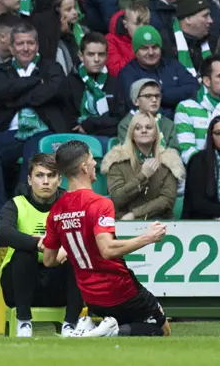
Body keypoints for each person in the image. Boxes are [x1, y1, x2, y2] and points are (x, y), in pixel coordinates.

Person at [42, 140, 171, 337]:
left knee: (133, 329)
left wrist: (72, 246)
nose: (95, 164)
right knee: (161, 330)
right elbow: (108, 250)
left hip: (91, 297)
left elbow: (49, 260)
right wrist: (148, 237)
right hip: (119, 288)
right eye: (92, 159)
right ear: (84, 167)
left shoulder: (56, 210)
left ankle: (96, 328)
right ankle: (111, 331)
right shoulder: (100, 203)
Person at [0, 20, 67, 210]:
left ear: (37, 45)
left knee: (32, 153)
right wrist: (36, 82)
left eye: (30, 43)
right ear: (11, 47)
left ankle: (24, 208)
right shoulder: (3, 72)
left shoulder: (51, 68)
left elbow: (54, 90)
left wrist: (15, 97)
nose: (26, 48)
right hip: (15, 132)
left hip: (45, 130)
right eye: (20, 43)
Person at [0, 153, 83, 338]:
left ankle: (70, 325)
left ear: (60, 179)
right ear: (29, 179)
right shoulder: (15, 204)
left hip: (57, 283)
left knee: (77, 257)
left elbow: (84, 235)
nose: (46, 181)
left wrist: (66, 249)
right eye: (39, 175)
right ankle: (23, 322)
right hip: (17, 285)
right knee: (23, 253)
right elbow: (4, 232)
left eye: (51, 176)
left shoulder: (71, 204)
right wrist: (39, 243)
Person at [102, 111, 184, 220]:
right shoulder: (117, 159)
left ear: (156, 134)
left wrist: (135, 214)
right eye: (138, 128)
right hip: (124, 223)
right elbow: (117, 199)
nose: (144, 131)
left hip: (158, 222)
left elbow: (167, 200)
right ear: (131, 133)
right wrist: (143, 176)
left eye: (149, 127)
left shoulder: (169, 160)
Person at [118, 25, 198, 119]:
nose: (151, 52)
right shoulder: (128, 73)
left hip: (182, 121)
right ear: (136, 52)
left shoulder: (172, 65)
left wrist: (162, 95)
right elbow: (138, 106)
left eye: (155, 47)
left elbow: (194, 87)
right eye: (145, 48)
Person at [64, 32, 125, 144]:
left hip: (107, 139)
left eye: (101, 54)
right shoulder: (69, 82)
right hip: (75, 140)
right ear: (81, 56)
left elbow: (120, 119)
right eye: (91, 54)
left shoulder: (115, 83)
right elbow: (67, 119)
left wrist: (89, 124)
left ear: (106, 56)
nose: (97, 59)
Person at [160, 0, 215, 82]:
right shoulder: (166, 44)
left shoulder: (211, 41)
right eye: (205, 16)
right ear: (188, 19)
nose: (211, 20)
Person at [34, 0, 90, 76]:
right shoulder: (46, 34)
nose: (75, 12)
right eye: (68, 9)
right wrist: (61, 34)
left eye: (75, 7)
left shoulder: (84, 31)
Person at [117, 79, 178, 149]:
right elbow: (128, 152)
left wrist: (160, 159)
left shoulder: (168, 124)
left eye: (157, 96)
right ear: (136, 101)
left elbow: (174, 152)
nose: (154, 100)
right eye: (148, 96)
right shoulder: (126, 124)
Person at [106, 4, 151, 77]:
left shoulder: (151, 36)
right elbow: (115, 71)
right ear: (125, 24)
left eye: (146, 23)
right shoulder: (110, 40)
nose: (142, 28)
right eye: (137, 23)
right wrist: (137, 48)